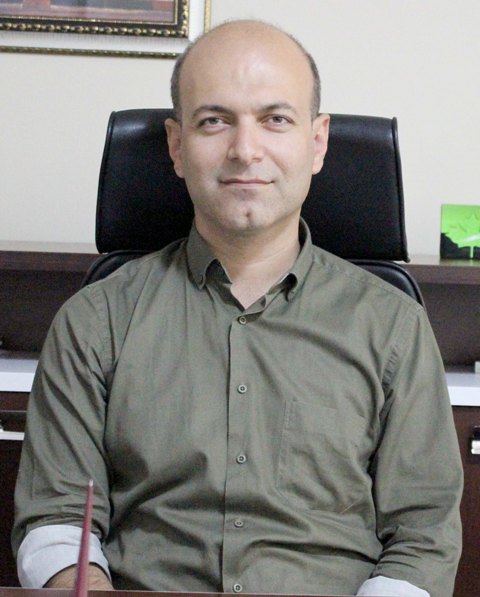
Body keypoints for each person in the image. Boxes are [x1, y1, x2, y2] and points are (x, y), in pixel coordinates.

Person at [12, 19, 462, 597]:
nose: (245, 150)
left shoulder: (393, 325)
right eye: (214, 121)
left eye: (275, 119)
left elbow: (424, 535)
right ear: (177, 146)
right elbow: (56, 517)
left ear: (317, 142)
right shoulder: (94, 321)